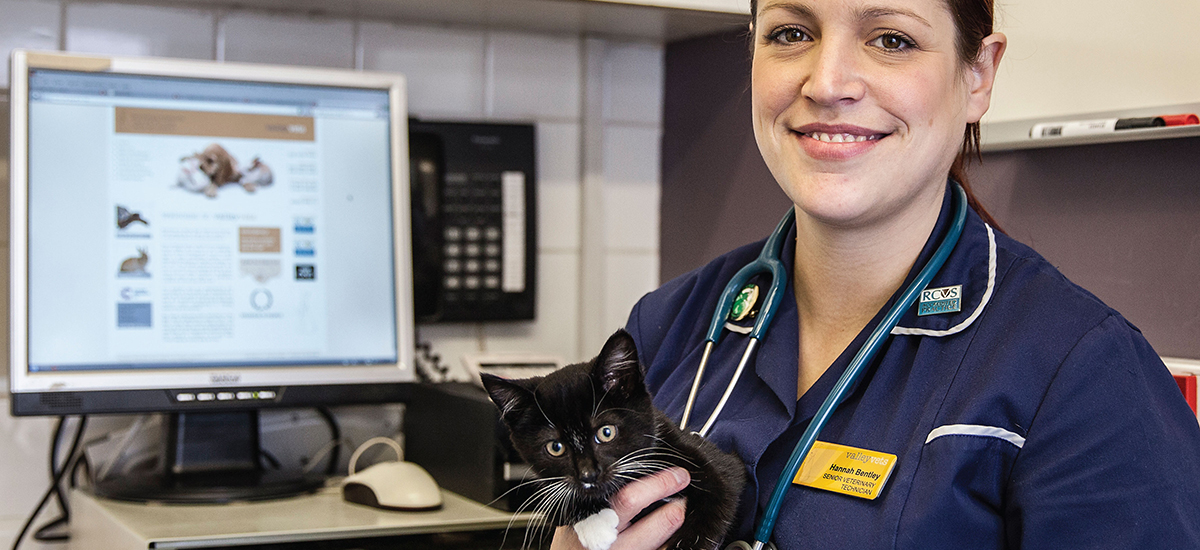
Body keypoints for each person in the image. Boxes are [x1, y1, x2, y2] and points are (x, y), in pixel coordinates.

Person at [551, 0, 1200, 548]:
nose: (828, 81)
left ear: (978, 73)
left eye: (891, 39)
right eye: (791, 33)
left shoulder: (1084, 374)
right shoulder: (668, 326)